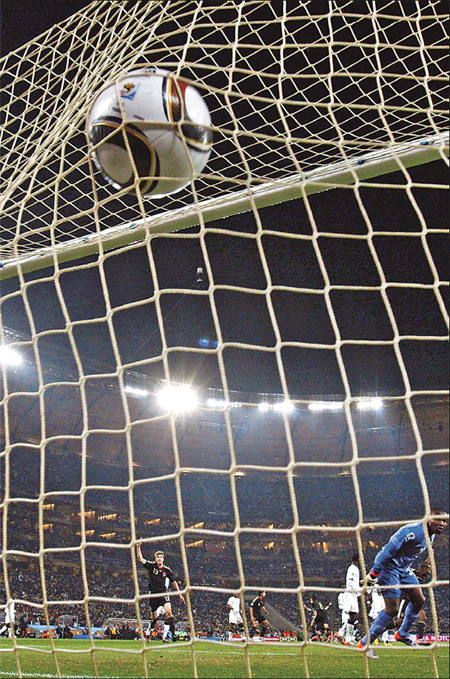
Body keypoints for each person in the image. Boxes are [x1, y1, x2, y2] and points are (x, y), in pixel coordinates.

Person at [358, 508, 448, 655]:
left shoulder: (430, 535)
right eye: (439, 520)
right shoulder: (411, 532)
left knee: (419, 600)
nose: (443, 524)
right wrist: (374, 573)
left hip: (404, 569)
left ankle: (402, 634)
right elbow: (387, 551)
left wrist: (423, 566)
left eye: (445, 521)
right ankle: (364, 644)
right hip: (388, 568)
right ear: (428, 519)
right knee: (392, 610)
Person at [136, 542, 185, 643]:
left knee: (169, 612)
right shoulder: (151, 566)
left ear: (163, 559)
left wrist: (179, 594)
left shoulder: (167, 570)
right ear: (155, 558)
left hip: (163, 593)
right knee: (154, 618)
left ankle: (173, 634)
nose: (159, 558)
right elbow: (140, 559)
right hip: (153, 595)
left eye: (161, 557)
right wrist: (138, 547)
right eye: (157, 557)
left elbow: (174, 582)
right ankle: (148, 634)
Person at [336, 553, 361, 645]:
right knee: (353, 616)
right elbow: (350, 583)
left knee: (354, 617)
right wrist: (359, 592)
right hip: (351, 594)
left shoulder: (355, 569)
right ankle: (347, 638)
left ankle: (342, 633)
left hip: (353, 594)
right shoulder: (352, 569)